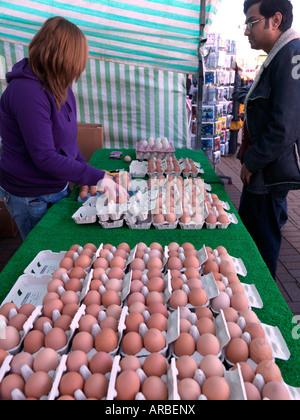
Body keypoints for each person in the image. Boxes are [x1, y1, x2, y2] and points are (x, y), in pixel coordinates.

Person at [0, 16, 127, 240]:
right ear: (61, 58)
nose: (77, 70)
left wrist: (90, 173)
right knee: (43, 250)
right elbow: (45, 157)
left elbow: (67, 142)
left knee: (62, 246)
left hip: (54, 185)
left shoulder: (59, 84)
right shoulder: (26, 92)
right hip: (32, 194)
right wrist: (95, 177)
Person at [238, 0, 300, 279]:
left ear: (275, 20)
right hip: (264, 173)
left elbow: (284, 127)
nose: (246, 31)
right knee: (252, 242)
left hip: (267, 174)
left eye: (251, 22)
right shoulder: (280, 54)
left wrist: (251, 161)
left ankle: (258, 315)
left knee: (260, 250)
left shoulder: (291, 54)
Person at [228, 65, 244, 155]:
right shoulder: (236, 76)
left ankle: (232, 150)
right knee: (233, 129)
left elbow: (236, 93)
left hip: (235, 107)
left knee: (233, 129)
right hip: (234, 107)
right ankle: (232, 149)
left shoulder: (236, 77)